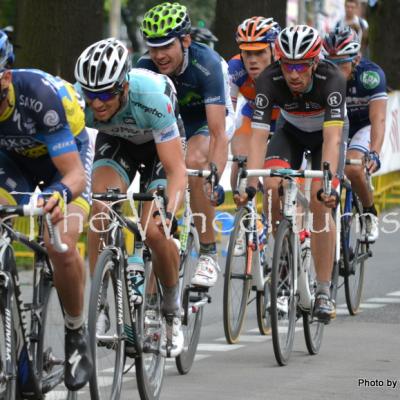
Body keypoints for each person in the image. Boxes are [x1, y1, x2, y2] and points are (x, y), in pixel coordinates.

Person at [74, 38, 187, 357]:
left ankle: (171, 308)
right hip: (118, 142)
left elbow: (176, 170)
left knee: (155, 230)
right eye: (91, 94)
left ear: (124, 85)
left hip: (158, 147)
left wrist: (169, 214)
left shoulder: (151, 95)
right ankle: (100, 305)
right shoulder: (82, 102)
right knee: (100, 208)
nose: (97, 104)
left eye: (106, 94)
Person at [235, 25, 347, 324]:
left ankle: (323, 290)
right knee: (273, 185)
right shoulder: (269, 79)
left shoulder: (332, 78)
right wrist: (251, 181)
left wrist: (328, 183)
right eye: (287, 65)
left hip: (327, 136)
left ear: (314, 62)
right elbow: (259, 137)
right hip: (291, 133)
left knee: (320, 200)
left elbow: (333, 139)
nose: (293, 74)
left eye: (300, 66)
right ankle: (283, 260)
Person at [0, 61, 93, 388]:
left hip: (64, 165)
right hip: (11, 164)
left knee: (59, 243)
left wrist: (59, 195)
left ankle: (76, 331)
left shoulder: (37, 94)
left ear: (6, 78)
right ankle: (17, 347)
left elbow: (74, 175)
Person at [138, 2, 232, 288]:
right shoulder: (144, 67)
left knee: (192, 161)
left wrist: (213, 177)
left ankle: (207, 251)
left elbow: (218, 133)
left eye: (166, 46)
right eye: (153, 48)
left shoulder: (208, 65)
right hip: (169, 128)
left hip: (205, 123)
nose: (158, 55)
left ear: (186, 40)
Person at [323, 26, 387, 242]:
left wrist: (375, 152)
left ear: (356, 59)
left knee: (353, 167)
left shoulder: (371, 75)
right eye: (330, 63)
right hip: (336, 125)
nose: (335, 69)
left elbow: (378, 119)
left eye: (341, 63)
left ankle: (369, 213)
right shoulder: (321, 75)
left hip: (362, 126)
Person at [228, 16, 281, 192]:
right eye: (247, 53)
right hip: (252, 117)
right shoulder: (236, 67)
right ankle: (243, 215)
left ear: (274, 50)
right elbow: (227, 114)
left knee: (277, 180)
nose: (252, 60)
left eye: (259, 53)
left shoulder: (287, 67)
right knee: (240, 162)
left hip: (285, 121)